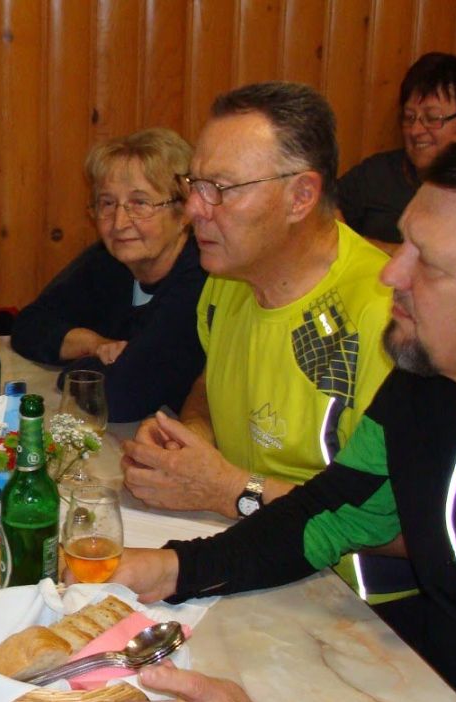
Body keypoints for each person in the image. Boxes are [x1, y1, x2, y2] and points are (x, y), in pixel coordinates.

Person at [110, 139, 456, 702]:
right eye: (403, 243)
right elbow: (331, 512)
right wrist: (164, 570)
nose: (391, 274)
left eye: (428, 263)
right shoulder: (429, 377)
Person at [121, 82, 412, 603]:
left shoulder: (389, 317)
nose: (194, 209)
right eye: (194, 184)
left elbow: (410, 530)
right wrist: (191, 439)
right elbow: (211, 382)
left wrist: (228, 489)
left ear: (301, 196)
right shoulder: (227, 279)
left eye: (221, 188)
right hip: (237, 556)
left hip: (352, 604)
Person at [10, 129, 207, 423]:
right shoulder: (110, 261)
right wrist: (95, 344)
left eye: (140, 203)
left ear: (184, 212)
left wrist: (77, 370)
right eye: (107, 203)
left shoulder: (199, 277)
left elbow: (120, 396)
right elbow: (29, 326)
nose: (119, 222)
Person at [338, 52, 456, 252]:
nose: (415, 130)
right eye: (409, 117)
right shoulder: (377, 173)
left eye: (432, 118)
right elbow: (324, 209)